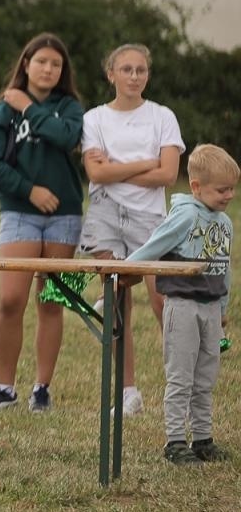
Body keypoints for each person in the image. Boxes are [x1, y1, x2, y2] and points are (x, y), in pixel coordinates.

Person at [0, 32, 84, 413]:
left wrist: (30, 108)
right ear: (25, 64)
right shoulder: (5, 107)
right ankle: (4, 388)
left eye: (56, 64)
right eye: (41, 62)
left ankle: (41, 389)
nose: (49, 69)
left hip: (65, 216)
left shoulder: (69, 107)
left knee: (51, 302)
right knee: (10, 300)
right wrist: (28, 189)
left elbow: (66, 137)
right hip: (19, 213)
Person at [78, 43, 183, 417]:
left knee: (163, 302)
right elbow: (97, 175)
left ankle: (179, 388)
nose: (134, 76)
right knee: (118, 304)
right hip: (107, 213)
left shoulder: (162, 117)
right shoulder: (94, 119)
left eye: (141, 70)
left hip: (151, 220)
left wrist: (117, 169)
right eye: (126, 69)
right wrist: (144, 163)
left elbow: (168, 174)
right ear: (111, 74)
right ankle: (128, 392)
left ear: (147, 75)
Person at [126, 144, 234, 465]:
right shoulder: (185, 215)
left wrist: (224, 307)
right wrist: (123, 270)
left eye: (232, 189)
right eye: (221, 190)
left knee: (205, 377)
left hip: (211, 308)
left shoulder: (225, 223)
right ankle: (174, 442)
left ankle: (202, 439)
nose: (228, 196)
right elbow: (154, 244)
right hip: (183, 306)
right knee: (181, 377)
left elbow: (225, 268)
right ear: (196, 187)